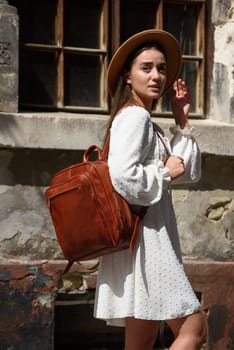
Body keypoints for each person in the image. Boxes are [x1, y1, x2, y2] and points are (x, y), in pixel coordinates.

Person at [94, 29, 207, 350]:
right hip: (146, 243)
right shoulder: (135, 117)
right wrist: (164, 172)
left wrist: (182, 121)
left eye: (161, 68)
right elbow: (125, 177)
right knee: (194, 328)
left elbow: (187, 170)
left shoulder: (144, 120)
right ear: (127, 76)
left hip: (143, 240)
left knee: (141, 342)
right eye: (146, 68)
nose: (156, 75)